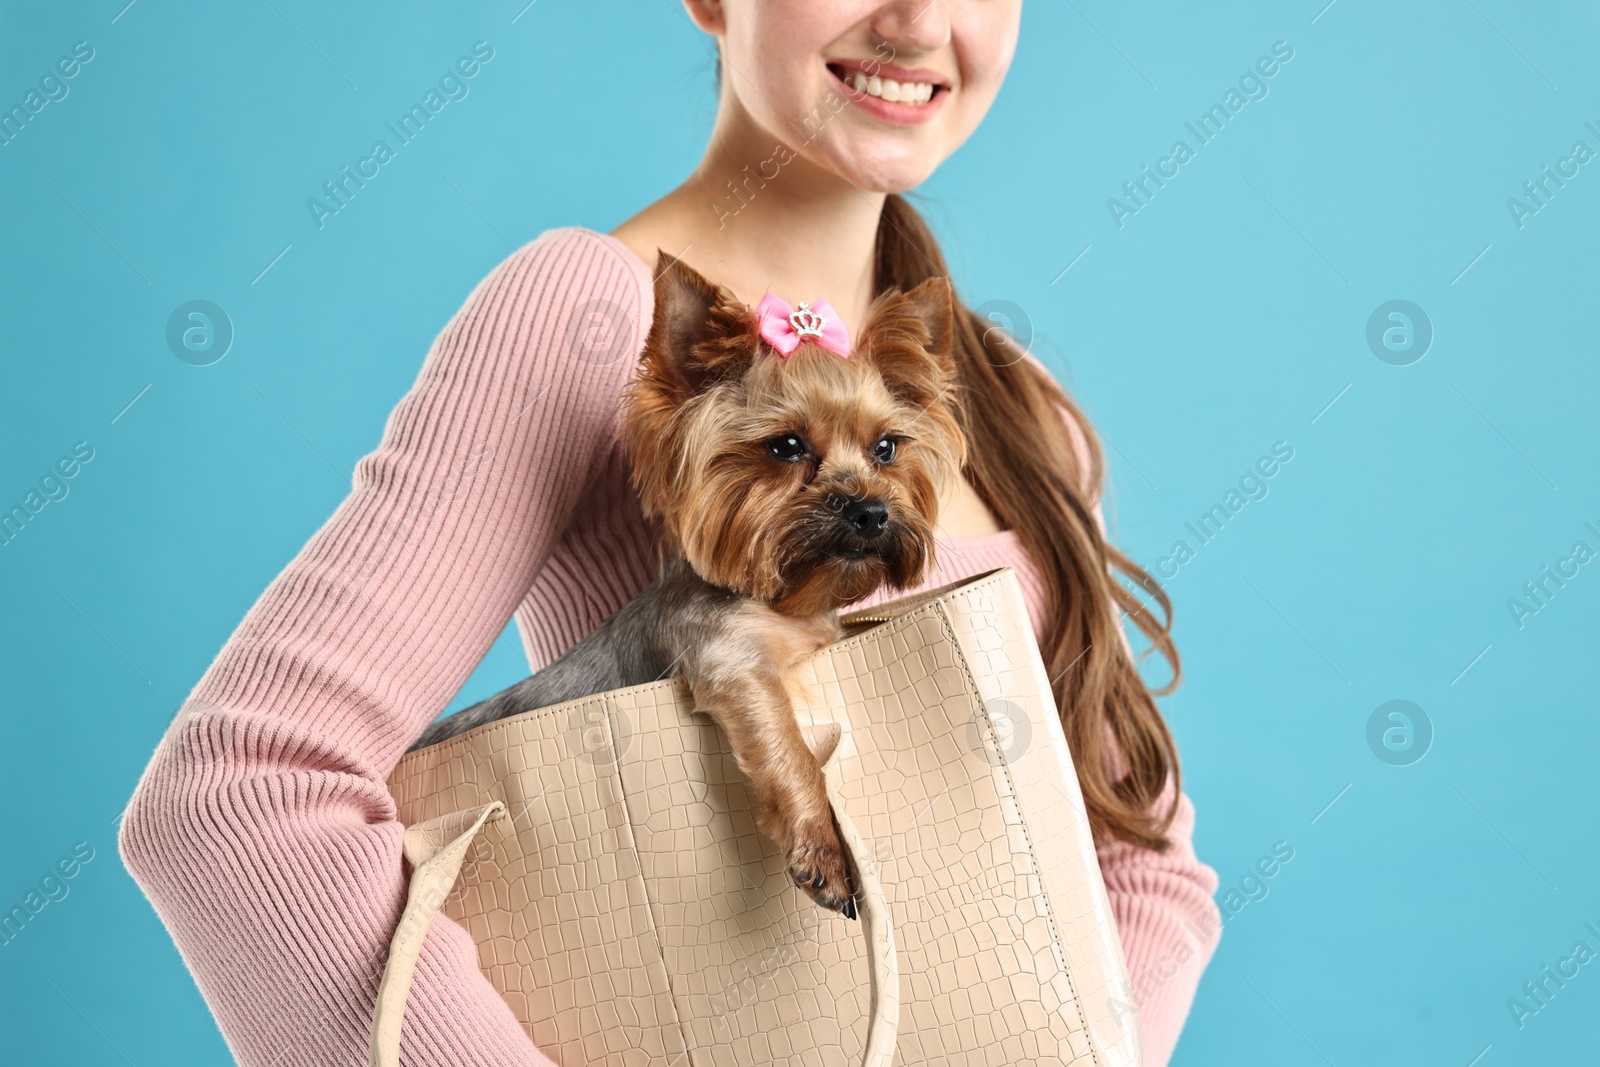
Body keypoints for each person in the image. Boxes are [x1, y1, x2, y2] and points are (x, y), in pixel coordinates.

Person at [119, 1, 1221, 1064]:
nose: (920, 20)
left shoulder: (1012, 402)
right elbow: (240, 798)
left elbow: (1147, 873)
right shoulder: (591, 317)